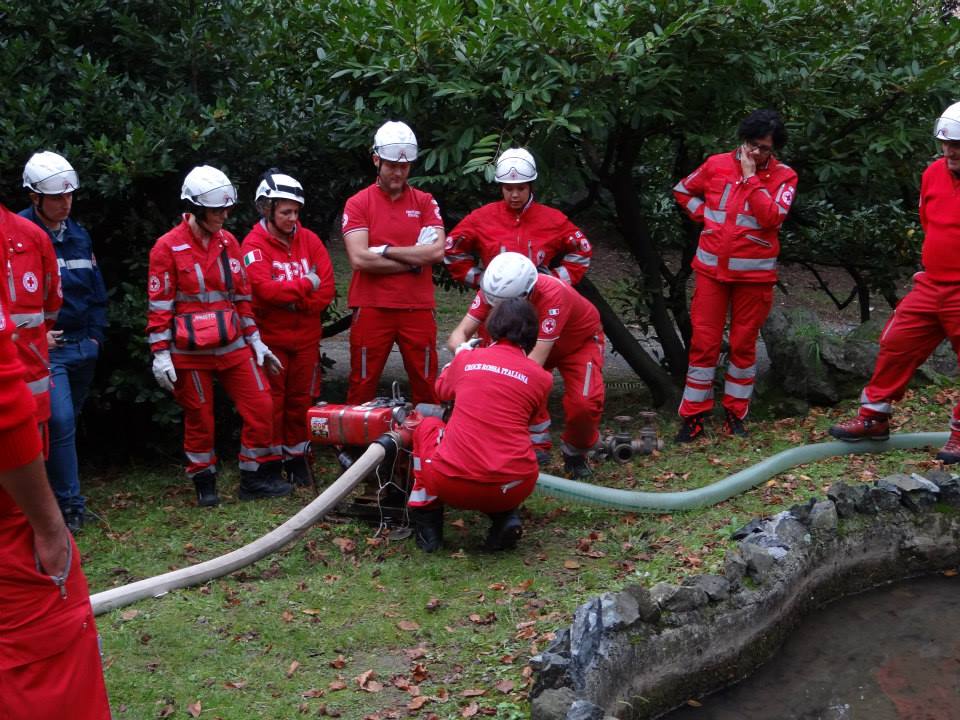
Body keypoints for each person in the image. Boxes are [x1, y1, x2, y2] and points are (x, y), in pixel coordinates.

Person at [0, 234, 112, 720]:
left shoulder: (31, 241)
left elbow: (53, 302)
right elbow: (3, 412)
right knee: (46, 669)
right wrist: (49, 527)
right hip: (12, 532)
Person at [146, 165, 291, 506]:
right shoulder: (166, 248)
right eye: (217, 210)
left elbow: (242, 298)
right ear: (196, 209)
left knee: (261, 404)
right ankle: (204, 483)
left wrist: (255, 341)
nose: (225, 216)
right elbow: (159, 306)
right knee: (200, 418)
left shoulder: (229, 243)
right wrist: (161, 354)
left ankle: (254, 479)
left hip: (232, 345)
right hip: (189, 351)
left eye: (227, 209)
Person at [829, 102, 960, 463]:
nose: (950, 151)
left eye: (958, 146)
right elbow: (928, 223)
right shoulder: (933, 173)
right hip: (932, 284)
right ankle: (874, 418)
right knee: (896, 343)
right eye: (946, 144)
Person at [672, 109, 798, 441]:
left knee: (743, 346)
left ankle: (735, 414)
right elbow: (683, 190)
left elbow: (772, 218)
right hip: (711, 272)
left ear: (775, 150)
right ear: (743, 140)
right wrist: (705, 217)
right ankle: (694, 416)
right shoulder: (715, 164)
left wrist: (750, 176)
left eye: (764, 149)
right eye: (752, 145)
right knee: (704, 344)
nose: (756, 153)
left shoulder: (786, 177)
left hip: (754, 279)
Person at [407, 298, 552, 552]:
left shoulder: (468, 358)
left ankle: (427, 523)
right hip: (514, 486)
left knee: (426, 426)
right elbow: (532, 422)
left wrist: (461, 356)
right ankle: (505, 518)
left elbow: (441, 390)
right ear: (532, 334)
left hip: (450, 483)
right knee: (507, 448)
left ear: (492, 327)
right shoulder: (541, 377)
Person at [447, 252, 604, 479]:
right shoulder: (494, 289)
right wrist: (465, 355)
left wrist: (489, 377)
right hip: (530, 344)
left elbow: (533, 365)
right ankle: (533, 445)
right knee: (508, 380)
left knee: (584, 404)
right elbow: (457, 335)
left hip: (578, 343)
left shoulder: (554, 295)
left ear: (527, 292)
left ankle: (576, 451)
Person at [21, 151, 108, 532]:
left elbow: (95, 290)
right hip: (45, 353)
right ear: (34, 197)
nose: (65, 203)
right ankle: (69, 506)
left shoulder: (78, 234)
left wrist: (94, 338)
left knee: (64, 426)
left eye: (69, 195)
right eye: (56, 197)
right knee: (59, 421)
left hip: (81, 347)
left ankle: (59, 500)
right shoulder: (17, 237)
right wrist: (37, 337)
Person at [341, 120, 446, 405]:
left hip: (418, 307)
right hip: (372, 306)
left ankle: (428, 443)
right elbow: (360, 258)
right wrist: (414, 259)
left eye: (405, 166)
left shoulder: (425, 202)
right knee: (362, 380)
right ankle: (353, 445)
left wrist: (385, 250)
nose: (399, 172)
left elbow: (436, 252)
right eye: (391, 165)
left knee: (426, 381)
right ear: (377, 160)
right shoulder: (358, 203)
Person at [242, 169, 335, 486]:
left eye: (296, 212)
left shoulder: (309, 240)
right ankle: (268, 465)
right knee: (272, 404)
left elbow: (326, 290)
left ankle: (297, 460)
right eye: (285, 212)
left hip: (306, 340)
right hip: (272, 341)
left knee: (300, 402)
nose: (292, 218)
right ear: (267, 209)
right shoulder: (254, 245)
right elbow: (263, 291)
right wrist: (305, 284)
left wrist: (295, 301)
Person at [443, 147, 592, 289]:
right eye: (508, 188)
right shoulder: (481, 217)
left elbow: (582, 250)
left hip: (541, 299)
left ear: (530, 187)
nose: (514, 195)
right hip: (494, 302)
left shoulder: (553, 219)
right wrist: (480, 280)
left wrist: (555, 280)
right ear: (501, 187)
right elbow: (451, 249)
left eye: (521, 188)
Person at [3, 202, 61, 454]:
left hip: (28, 370)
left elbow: (51, 305)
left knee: (28, 462)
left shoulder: (32, 236)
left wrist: (30, 335)